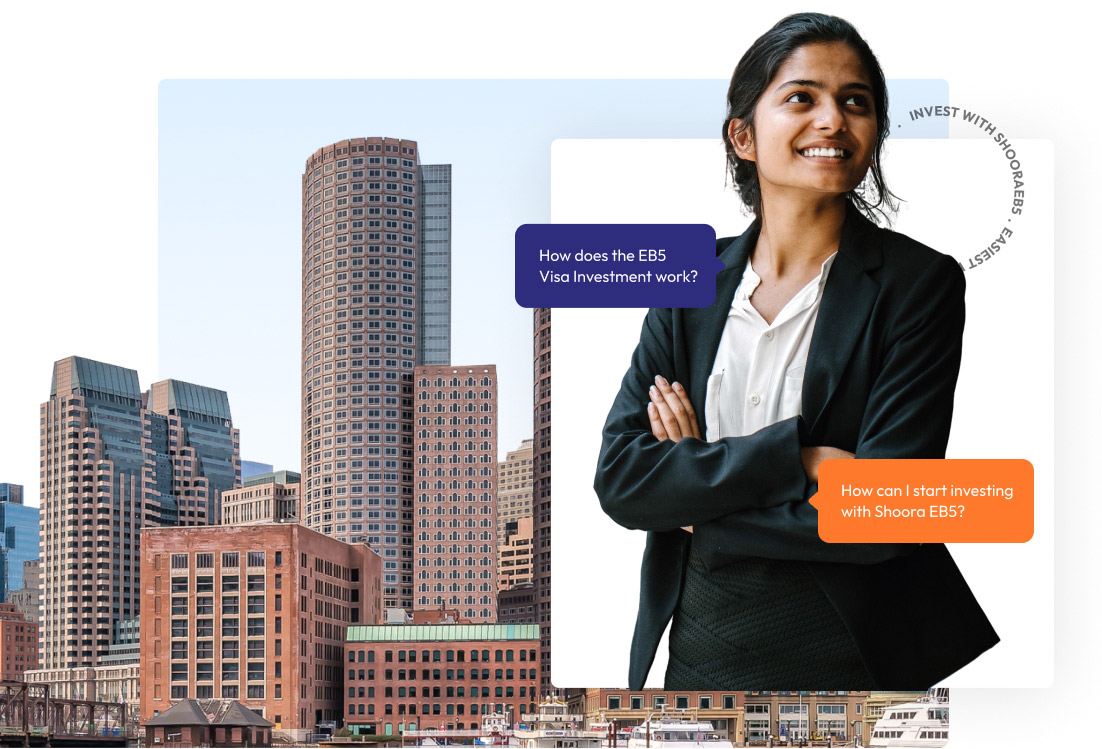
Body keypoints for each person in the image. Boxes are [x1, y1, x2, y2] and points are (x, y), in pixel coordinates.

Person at [594, 12, 998, 690]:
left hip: (849, 655)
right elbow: (624, 479)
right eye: (802, 97)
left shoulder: (918, 286)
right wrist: (799, 459)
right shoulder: (688, 279)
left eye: (856, 102)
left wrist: (694, 496)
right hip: (698, 648)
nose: (833, 119)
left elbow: (883, 516)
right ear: (744, 136)